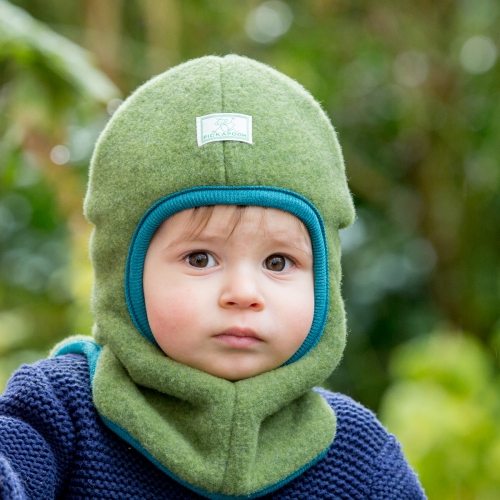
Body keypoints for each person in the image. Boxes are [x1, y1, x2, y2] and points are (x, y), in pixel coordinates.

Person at [0, 55, 426, 499]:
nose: (243, 294)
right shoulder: (59, 411)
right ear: (122, 270)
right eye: (200, 258)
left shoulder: (359, 455)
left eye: (278, 262)